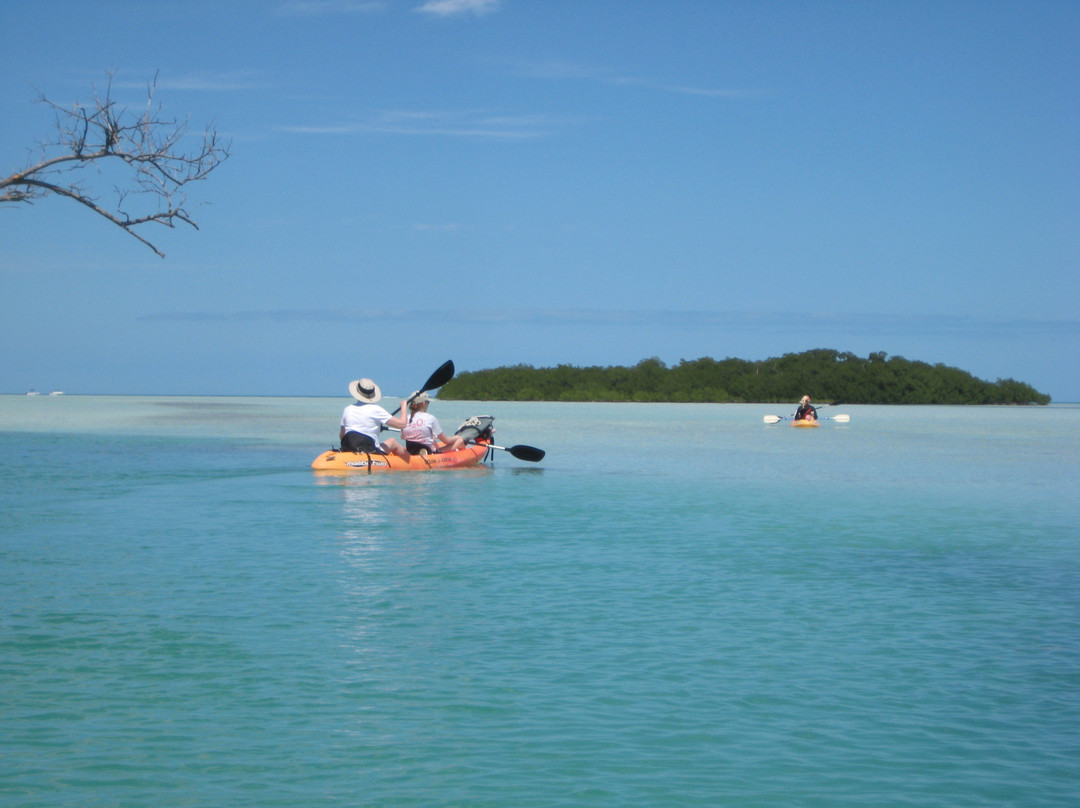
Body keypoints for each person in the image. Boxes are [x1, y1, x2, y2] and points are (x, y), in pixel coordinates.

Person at [339, 378, 410, 460]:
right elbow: (402, 424)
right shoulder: (376, 409)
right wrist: (404, 407)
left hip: (349, 448)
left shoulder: (348, 409)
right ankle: (412, 462)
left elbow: (342, 435)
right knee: (392, 441)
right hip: (371, 451)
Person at [401, 392, 466, 455]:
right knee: (460, 441)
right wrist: (457, 437)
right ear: (424, 403)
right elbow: (446, 441)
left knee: (432, 440)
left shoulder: (405, 419)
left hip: (411, 452)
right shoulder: (430, 418)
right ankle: (464, 457)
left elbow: (403, 437)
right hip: (429, 453)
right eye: (428, 402)